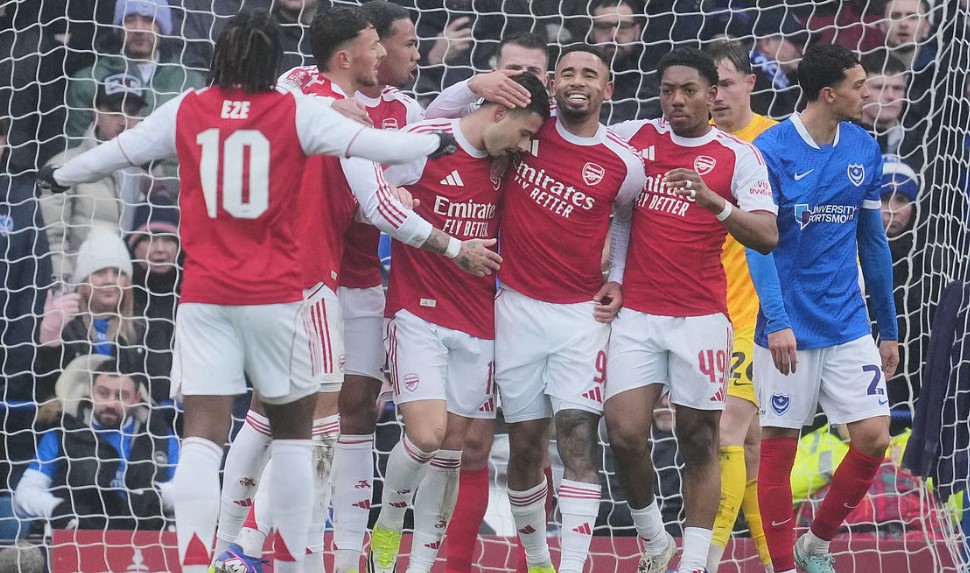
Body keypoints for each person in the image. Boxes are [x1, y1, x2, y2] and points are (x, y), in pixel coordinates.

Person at [38, 12, 463, 573]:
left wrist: (58, 177)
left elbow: (117, 152)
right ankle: (289, 561)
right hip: (278, 297)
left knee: (202, 439)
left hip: (205, 299)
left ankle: (200, 562)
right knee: (295, 437)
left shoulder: (187, 107)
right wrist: (436, 142)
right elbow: (373, 144)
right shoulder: (295, 111)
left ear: (220, 56)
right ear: (274, 61)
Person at [211, 7, 501, 573]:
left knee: (353, 412)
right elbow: (277, 108)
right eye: (402, 44)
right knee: (278, 411)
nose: (410, 55)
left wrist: (469, 88)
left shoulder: (403, 110)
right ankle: (234, 545)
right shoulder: (304, 85)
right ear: (361, 53)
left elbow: (428, 138)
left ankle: (341, 556)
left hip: (360, 281)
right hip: (302, 275)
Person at [367, 73, 550, 573]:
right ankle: (388, 526)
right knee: (427, 435)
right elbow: (365, 180)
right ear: (498, 112)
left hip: (478, 320)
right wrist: (392, 194)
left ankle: (422, 564)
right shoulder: (427, 141)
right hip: (417, 311)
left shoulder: (506, 163)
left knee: (452, 453)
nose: (525, 146)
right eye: (523, 133)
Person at [605, 47, 778, 573]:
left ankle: (695, 562)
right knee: (625, 433)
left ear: (712, 94)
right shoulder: (634, 137)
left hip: (702, 319)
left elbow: (767, 235)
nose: (676, 100)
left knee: (700, 439)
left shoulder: (738, 156)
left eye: (688, 90)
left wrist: (714, 202)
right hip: (636, 315)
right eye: (667, 91)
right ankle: (655, 540)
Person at [494, 44, 646, 573]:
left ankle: (574, 564)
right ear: (552, 84)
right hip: (514, 308)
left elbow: (626, 220)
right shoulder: (525, 131)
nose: (577, 81)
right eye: (567, 73)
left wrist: (617, 277)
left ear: (608, 88)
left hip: (581, 317)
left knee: (578, 435)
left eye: (589, 74)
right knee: (525, 443)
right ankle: (538, 561)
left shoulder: (625, 163)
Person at [747, 44, 898, 573]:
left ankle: (815, 545)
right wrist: (778, 322)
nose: (868, 94)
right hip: (787, 326)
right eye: (859, 85)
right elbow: (758, 245)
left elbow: (872, 243)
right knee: (779, 444)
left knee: (874, 437)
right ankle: (782, 566)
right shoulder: (770, 149)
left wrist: (888, 328)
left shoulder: (863, 146)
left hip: (848, 322)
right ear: (829, 94)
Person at [424, 31, 554, 573]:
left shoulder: (558, 137)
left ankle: (536, 562)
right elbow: (427, 122)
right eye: (509, 73)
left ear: (548, 82)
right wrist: (469, 85)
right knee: (465, 445)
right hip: (467, 298)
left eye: (532, 75)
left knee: (533, 441)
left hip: (533, 306)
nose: (519, 84)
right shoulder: (467, 128)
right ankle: (454, 562)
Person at [703, 40, 777, 573]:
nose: (716, 97)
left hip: (757, 316)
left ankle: (702, 561)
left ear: (750, 83)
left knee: (725, 431)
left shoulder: (776, 141)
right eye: (709, 87)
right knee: (749, 446)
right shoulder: (691, 142)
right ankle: (776, 561)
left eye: (726, 84)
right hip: (701, 312)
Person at [14, 357, 178, 530]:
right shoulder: (63, 433)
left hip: (144, 537)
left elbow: (188, 492)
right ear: (90, 392)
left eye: (122, 396)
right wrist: (57, 509)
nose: (111, 403)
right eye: (103, 393)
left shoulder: (160, 436)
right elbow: (24, 493)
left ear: (136, 398)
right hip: (74, 535)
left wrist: (158, 494)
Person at [42, 73, 150, 283]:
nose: (124, 120)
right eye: (114, 110)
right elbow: (52, 237)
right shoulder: (64, 166)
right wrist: (63, 284)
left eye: (132, 112)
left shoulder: (151, 171)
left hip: (132, 288)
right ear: (95, 113)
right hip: (81, 287)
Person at [64, 0, 206, 140]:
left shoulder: (191, 82)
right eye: (129, 20)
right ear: (119, 27)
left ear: (163, 28)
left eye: (148, 20)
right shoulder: (88, 80)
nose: (139, 29)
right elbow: (76, 146)